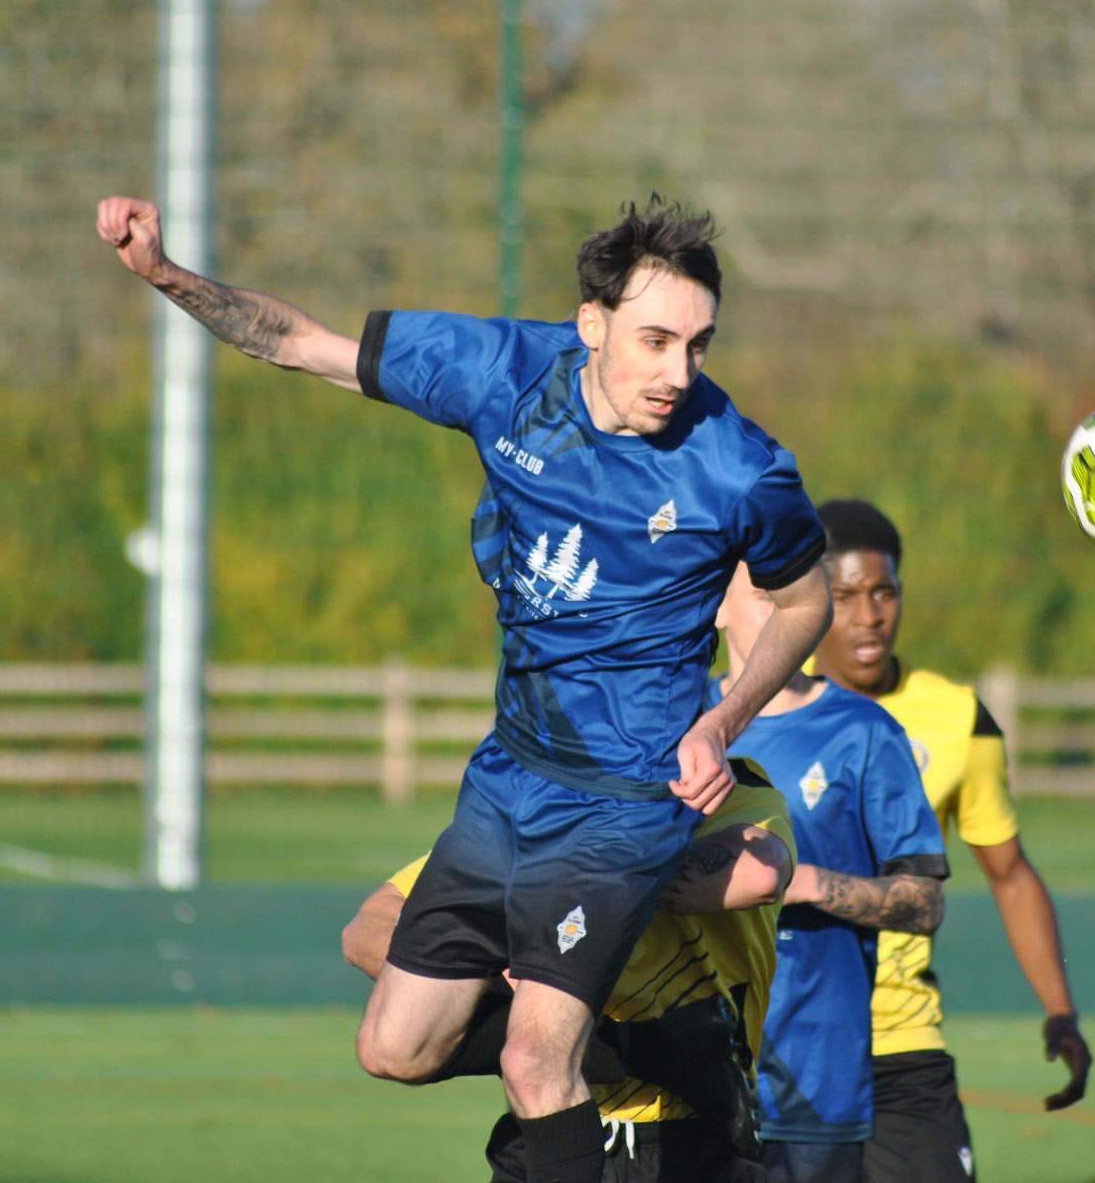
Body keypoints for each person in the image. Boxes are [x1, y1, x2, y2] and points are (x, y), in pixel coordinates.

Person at [96, 194, 833, 1183]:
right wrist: (165, 273)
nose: (679, 372)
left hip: (624, 798)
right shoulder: (504, 373)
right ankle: (654, 1047)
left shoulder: (739, 467)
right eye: (656, 341)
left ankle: (614, 1061)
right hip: (510, 779)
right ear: (591, 324)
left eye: (698, 345)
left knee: (534, 1062)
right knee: (395, 1044)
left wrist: (722, 718)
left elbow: (806, 602)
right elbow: (301, 343)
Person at [343, 754, 797, 1182]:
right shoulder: (542, 799)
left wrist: (565, 873)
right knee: (405, 1030)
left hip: (688, 1138)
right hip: (545, 1128)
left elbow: (759, 876)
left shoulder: (725, 787)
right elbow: (366, 928)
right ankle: (649, 1050)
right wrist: (488, 982)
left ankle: (650, 1052)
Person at [810, 499, 1092, 1183]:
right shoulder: (756, 708)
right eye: (844, 597)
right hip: (783, 1043)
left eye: (883, 593)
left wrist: (1060, 1009)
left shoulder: (959, 718)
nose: (869, 616)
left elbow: (1010, 875)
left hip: (903, 1043)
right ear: (809, 601)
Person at [715, 561, 949, 1183]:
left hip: (816, 1079)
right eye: (764, 596)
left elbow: (926, 904)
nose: (785, 612)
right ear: (717, 607)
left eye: (798, 597)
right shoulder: (675, 724)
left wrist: (807, 884)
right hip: (686, 1079)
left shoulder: (865, 732)